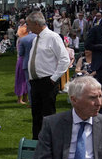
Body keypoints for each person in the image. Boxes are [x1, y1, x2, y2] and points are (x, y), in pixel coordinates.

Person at [27, 11, 70, 139]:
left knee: (48, 114)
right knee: (36, 114)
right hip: (35, 82)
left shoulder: (53, 37)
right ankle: (37, 141)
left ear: (36, 23)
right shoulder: (36, 39)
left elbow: (64, 59)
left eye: (29, 25)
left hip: (47, 81)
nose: (28, 28)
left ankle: (50, 141)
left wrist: (54, 78)